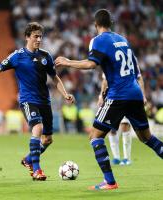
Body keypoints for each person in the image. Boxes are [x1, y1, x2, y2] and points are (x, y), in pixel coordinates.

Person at [55, 9, 163, 190]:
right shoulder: (123, 39)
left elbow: (91, 64)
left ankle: (110, 182)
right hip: (135, 93)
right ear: (110, 23)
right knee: (147, 138)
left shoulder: (98, 40)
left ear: (95, 24)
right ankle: (110, 180)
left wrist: (67, 62)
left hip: (118, 95)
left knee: (95, 137)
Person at [0, 22, 75, 181]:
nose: (39, 39)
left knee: (47, 140)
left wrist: (65, 93)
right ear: (27, 37)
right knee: (38, 127)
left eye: (40, 36)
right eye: (35, 36)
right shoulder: (17, 56)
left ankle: (28, 160)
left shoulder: (45, 56)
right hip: (28, 100)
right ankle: (36, 170)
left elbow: (54, 78)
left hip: (44, 101)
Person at [98, 73, 146, 166]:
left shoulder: (131, 60)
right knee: (111, 129)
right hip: (111, 98)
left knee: (125, 126)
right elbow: (105, 80)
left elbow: (139, 78)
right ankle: (116, 157)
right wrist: (101, 96)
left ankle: (126, 158)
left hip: (127, 97)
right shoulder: (108, 60)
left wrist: (142, 95)